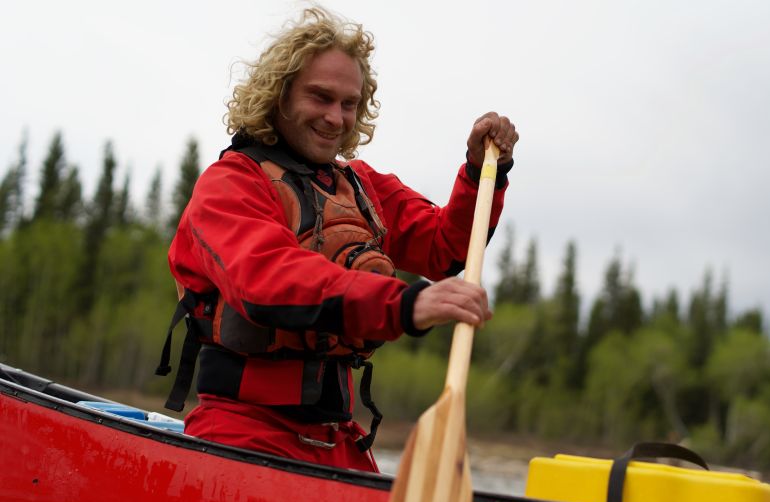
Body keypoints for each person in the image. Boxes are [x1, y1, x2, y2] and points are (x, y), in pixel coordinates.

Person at [157, 6, 518, 472]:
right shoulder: (230, 184)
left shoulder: (363, 186)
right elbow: (267, 281)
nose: (336, 117)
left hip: (338, 440)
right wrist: (406, 305)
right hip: (243, 431)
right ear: (280, 96)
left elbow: (444, 247)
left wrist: (479, 173)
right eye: (320, 98)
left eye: (349, 103)